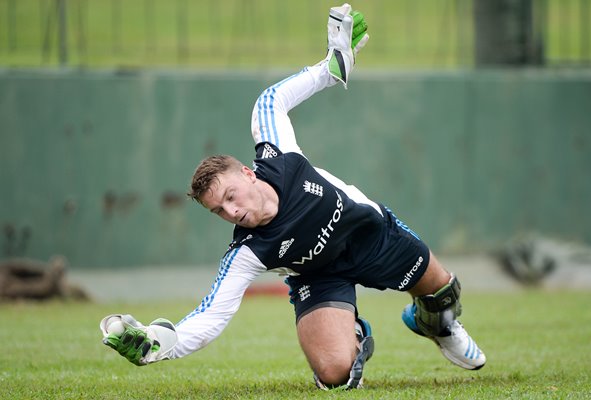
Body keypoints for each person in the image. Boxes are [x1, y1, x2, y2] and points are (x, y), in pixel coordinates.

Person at [100, 4, 486, 390]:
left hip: (371, 236)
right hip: (320, 277)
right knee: (336, 375)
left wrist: (332, 67)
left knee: (441, 295)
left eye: (231, 196)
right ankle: (350, 332)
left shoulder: (279, 155)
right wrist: (161, 344)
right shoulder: (248, 251)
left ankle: (433, 324)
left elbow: (270, 100)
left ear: (248, 174)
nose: (232, 211)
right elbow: (213, 315)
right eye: (219, 211)